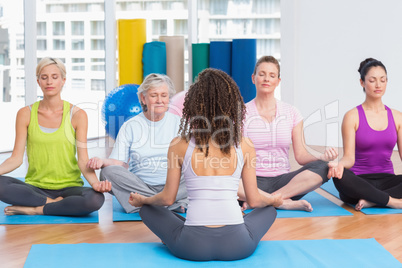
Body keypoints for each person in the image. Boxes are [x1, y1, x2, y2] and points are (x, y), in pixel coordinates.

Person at [129, 68, 282, 261]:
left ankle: (178, 229)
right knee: (268, 209)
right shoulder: (245, 144)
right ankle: (237, 221)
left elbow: (167, 199)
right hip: (238, 246)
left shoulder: (179, 144)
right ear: (231, 106)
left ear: (194, 105)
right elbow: (254, 201)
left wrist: (144, 200)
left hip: (191, 247)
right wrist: (274, 201)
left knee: (148, 209)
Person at [0, 57, 110, 216]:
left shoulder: (78, 115)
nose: (49, 82)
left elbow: (83, 160)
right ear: (38, 81)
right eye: (44, 77)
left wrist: (96, 184)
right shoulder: (25, 114)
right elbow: (15, 159)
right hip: (35, 187)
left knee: (94, 200)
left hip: (69, 187)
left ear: (63, 80)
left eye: (54, 77)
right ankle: (53, 204)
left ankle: (36, 209)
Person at [238, 56, 338, 212]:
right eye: (262, 74)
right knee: (219, 177)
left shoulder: (292, 112)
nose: (266, 79)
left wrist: (322, 158)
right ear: (253, 78)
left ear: (278, 81)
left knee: (324, 167)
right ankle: (280, 202)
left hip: (284, 183)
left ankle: (266, 200)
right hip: (250, 182)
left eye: (272, 75)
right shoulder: (241, 113)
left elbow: (301, 156)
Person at [87, 73, 188, 213]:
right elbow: (118, 163)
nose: (160, 100)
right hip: (141, 185)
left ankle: (148, 202)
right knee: (107, 172)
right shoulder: (131, 125)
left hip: (174, 185)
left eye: (164, 95)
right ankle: (165, 202)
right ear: (143, 98)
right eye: (154, 95)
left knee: (201, 168)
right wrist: (101, 161)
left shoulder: (181, 124)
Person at [328, 58, 402, 210]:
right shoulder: (352, 116)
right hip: (359, 181)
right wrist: (339, 166)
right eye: (372, 80)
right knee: (339, 177)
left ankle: (373, 200)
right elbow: (349, 157)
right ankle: (393, 202)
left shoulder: (397, 117)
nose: (378, 85)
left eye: (382, 80)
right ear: (362, 82)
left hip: (388, 179)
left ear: (387, 82)